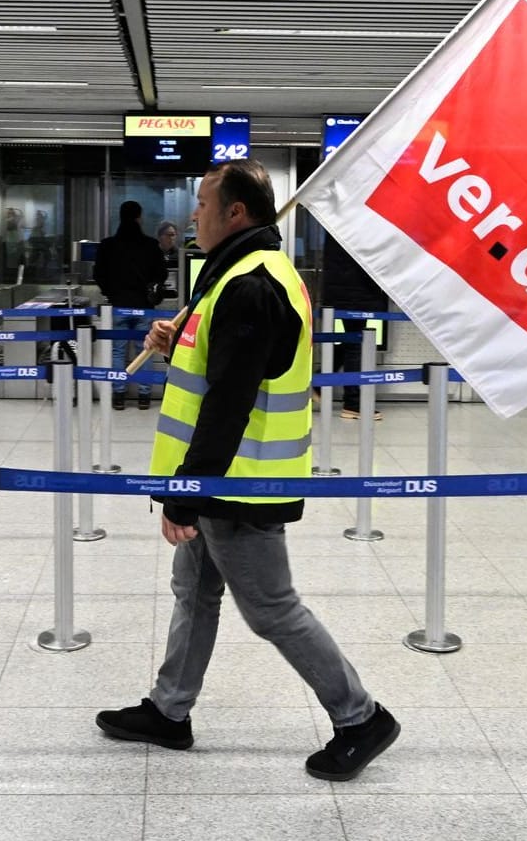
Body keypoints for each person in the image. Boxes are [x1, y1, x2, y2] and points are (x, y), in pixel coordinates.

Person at [96, 159, 398, 782]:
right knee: (195, 592)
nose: (193, 215)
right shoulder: (233, 272)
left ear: (236, 213)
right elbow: (219, 362)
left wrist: (187, 492)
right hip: (221, 478)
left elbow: (230, 399)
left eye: (204, 203)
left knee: (271, 608)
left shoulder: (252, 283)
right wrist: (176, 337)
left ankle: (360, 717)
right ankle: (168, 711)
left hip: (239, 483)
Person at [94, 201, 167, 410]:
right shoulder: (150, 245)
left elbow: (98, 274)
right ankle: (144, 396)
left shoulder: (108, 245)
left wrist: (111, 292)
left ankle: (119, 395)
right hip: (143, 305)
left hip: (118, 305)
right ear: (139, 217)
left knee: (118, 351)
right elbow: (161, 274)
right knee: (145, 348)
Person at [320, 234, 388, 419]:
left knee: (352, 340)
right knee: (356, 342)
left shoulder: (338, 225)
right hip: (355, 290)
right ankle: (353, 402)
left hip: (343, 288)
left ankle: (319, 384)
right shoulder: (355, 226)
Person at [152, 220, 180, 306]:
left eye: (173, 235)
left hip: (175, 296)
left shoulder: (179, 255)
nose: (171, 238)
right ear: (160, 236)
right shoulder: (152, 253)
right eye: (168, 235)